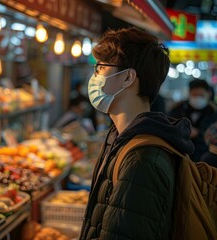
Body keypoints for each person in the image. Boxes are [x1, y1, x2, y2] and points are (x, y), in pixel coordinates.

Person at [80, 27, 194, 240]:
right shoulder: (122, 139)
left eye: (101, 68)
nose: (94, 76)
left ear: (128, 78)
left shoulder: (142, 160)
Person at [168, 79, 217, 162]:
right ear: (189, 93)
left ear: (208, 94)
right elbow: (168, 130)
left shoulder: (213, 112)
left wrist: (198, 134)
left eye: (201, 95)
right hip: (179, 157)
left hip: (204, 160)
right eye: (195, 95)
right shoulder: (177, 110)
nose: (198, 98)